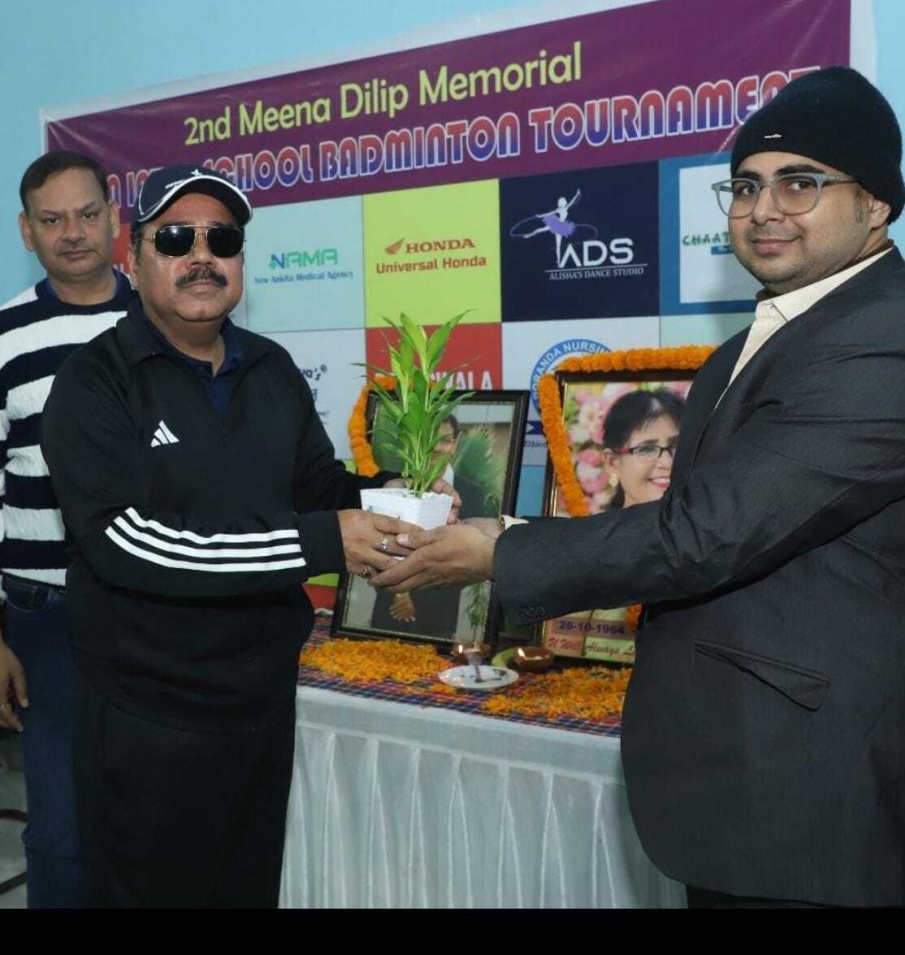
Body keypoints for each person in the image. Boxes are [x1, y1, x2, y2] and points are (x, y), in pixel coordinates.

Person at [372, 66, 905, 908]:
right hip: (745, 776)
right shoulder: (753, 344)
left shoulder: (883, 338)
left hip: (811, 789)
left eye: (800, 184)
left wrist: (501, 549)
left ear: (874, 204)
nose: (763, 209)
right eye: (745, 186)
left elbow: (705, 533)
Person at [39, 163, 446, 908]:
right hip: (149, 719)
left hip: (261, 706)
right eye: (176, 239)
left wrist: (398, 496)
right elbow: (126, 544)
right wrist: (323, 542)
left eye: (221, 240)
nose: (202, 256)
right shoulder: (93, 382)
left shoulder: (271, 367)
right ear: (134, 256)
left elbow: (317, 488)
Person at [0, 150, 131, 908]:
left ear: (115, 219)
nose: (73, 233)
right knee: (61, 829)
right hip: (45, 616)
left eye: (87, 214)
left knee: (156, 817)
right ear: (26, 232)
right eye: (51, 220)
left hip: (154, 612)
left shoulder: (164, 320)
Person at [547, 389, 686, 663]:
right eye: (646, 449)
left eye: (677, 446)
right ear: (612, 462)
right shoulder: (588, 547)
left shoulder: (705, 545)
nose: (667, 462)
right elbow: (563, 648)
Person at [372, 414, 491, 638]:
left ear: (455, 445)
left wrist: (417, 595)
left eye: (445, 440)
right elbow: (378, 541)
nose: (436, 448)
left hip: (440, 608)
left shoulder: (473, 494)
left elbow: (469, 557)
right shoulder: (395, 486)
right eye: (429, 440)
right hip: (390, 604)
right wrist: (401, 593)